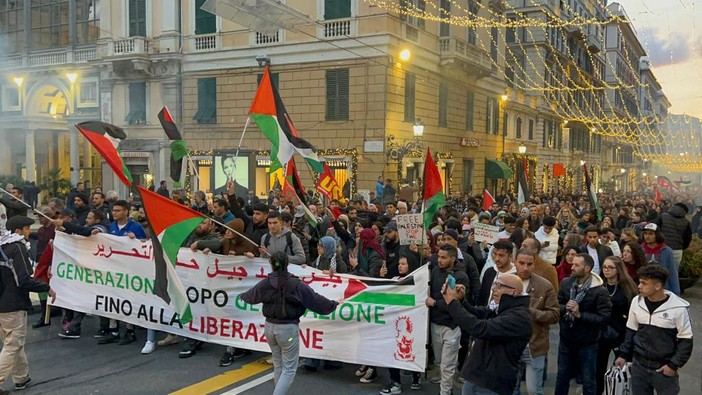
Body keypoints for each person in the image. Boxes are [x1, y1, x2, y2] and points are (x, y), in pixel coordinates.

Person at [241, 252, 338, 395]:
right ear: (287, 264)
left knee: (278, 364)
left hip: (269, 329)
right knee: (289, 369)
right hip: (287, 331)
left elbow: (248, 297)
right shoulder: (296, 284)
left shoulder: (266, 283)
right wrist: (334, 304)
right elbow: (316, 301)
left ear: (271, 265)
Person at [443, 272, 532, 395]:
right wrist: (462, 301)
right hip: (478, 376)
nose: (493, 288)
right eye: (495, 283)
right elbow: (480, 313)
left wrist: (451, 303)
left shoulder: (519, 317)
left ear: (514, 292)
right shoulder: (503, 308)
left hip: (491, 383)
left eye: (499, 286)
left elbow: (480, 328)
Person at [615, 265, 694, 395]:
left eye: (644, 283)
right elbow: (631, 330)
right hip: (639, 365)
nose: (639, 286)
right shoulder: (636, 301)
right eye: (639, 282)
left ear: (657, 286)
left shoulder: (679, 308)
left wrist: (673, 365)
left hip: (664, 367)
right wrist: (623, 354)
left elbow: (686, 340)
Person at [0, 216, 56, 393]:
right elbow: (22, 279)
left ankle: (21, 377)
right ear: (17, 231)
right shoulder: (16, 247)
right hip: (13, 303)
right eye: (26, 228)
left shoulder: (2, 245)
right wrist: (46, 287)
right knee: (13, 344)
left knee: (14, 342)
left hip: (2, 303)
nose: (28, 232)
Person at [554, 254, 612, 395]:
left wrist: (580, 315)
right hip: (566, 340)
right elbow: (557, 305)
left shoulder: (600, 291)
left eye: (576, 265)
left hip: (588, 343)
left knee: (588, 380)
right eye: (572, 264)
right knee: (562, 377)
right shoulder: (566, 283)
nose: (572, 267)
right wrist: (565, 308)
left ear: (587, 269)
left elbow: (604, 318)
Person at [513, 248, 559, 395]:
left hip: (535, 345)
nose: (525, 267)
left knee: (534, 390)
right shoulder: (506, 282)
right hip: (511, 345)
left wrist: (531, 312)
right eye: (521, 263)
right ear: (515, 262)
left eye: (529, 264)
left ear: (534, 264)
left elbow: (554, 315)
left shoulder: (545, 286)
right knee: (511, 388)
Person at [424, 244, 470, 395]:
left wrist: (435, 303)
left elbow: (455, 302)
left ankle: (445, 392)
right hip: (435, 323)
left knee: (447, 365)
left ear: (453, 258)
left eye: (444, 257)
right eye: (439, 256)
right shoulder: (435, 271)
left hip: (451, 326)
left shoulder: (460, 276)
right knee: (439, 362)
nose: (440, 260)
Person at [595, 256, 637, 395]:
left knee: (623, 368)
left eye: (610, 267)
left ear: (618, 270)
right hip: (602, 334)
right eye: (604, 267)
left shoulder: (627, 288)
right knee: (598, 367)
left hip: (622, 334)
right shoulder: (599, 286)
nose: (606, 270)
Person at [380, 255, 422, 393]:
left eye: (404, 263)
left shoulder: (418, 282)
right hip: (394, 324)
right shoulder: (393, 280)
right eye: (399, 263)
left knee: (410, 350)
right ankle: (395, 382)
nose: (400, 266)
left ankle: (416, 376)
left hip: (411, 323)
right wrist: (381, 278)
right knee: (392, 352)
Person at [640, 223, 680, 295]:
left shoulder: (667, 251)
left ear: (657, 235)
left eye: (651, 234)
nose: (647, 236)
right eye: (645, 233)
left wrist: (676, 292)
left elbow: (672, 272)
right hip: (644, 288)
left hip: (662, 289)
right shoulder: (640, 249)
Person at [654, 202, 692, 272]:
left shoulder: (663, 216)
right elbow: (688, 239)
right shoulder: (686, 222)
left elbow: (654, 229)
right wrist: (681, 247)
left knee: (660, 272)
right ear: (684, 211)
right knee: (673, 273)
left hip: (662, 248)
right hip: (677, 250)